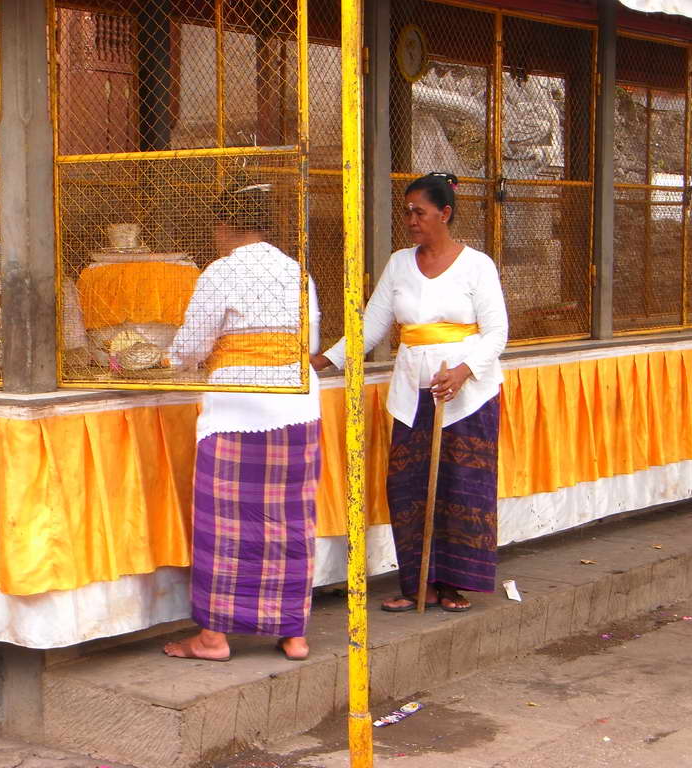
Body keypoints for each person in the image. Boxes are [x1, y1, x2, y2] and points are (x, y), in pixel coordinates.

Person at [312, 172, 508, 612]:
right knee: (408, 487)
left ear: (445, 214)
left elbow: (498, 333)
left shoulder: (477, 265)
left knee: (461, 488)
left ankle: (453, 584)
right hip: (412, 394)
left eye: (419, 212)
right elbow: (372, 325)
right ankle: (416, 584)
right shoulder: (400, 263)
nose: (412, 220)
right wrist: (325, 360)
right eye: (407, 212)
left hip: (467, 398)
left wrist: (463, 371)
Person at [162, 183, 323, 661]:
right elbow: (309, 338)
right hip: (297, 408)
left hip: (238, 409)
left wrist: (161, 361)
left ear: (225, 226)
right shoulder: (298, 273)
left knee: (227, 524)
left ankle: (213, 638)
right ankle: (293, 632)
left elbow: (190, 347)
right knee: (291, 523)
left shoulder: (221, 271)